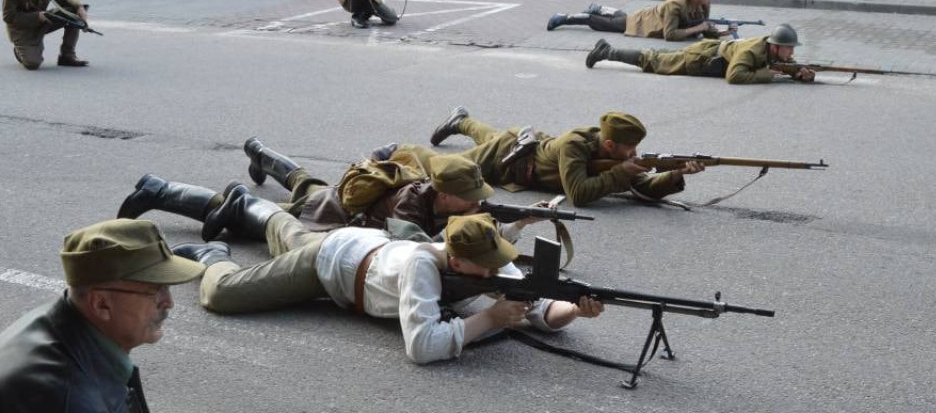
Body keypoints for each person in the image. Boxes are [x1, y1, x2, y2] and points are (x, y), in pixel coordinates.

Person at [172, 212, 602, 365]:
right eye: (486, 267)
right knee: (223, 295)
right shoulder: (422, 266)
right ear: (456, 262)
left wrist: (574, 309)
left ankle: (248, 206)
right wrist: (488, 318)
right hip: (332, 265)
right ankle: (213, 256)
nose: (498, 270)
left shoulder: (486, 258)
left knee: (294, 236)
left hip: (365, 247)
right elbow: (421, 347)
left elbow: (540, 309)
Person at [0, 219, 205, 412]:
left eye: (167, 287)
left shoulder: (53, 322)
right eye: (155, 291)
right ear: (101, 304)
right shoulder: (71, 399)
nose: (169, 302)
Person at [117, 151, 514, 243]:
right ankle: (161, 191)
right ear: (446, 194)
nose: (478, 201)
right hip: (323, 214)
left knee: (303, 178)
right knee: (240, 216)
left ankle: (259, 152)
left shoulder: (432, 197)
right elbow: (419, 250)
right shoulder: (410, 204)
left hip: (335, 199)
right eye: (472, 196)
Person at [408, 109, 704, 207]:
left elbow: (645, 187)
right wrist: (620, 174)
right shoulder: (575, 144)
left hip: (527, 147)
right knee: (445, 167)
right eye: (630, 149)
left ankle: (461, 120)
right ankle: (400, 152)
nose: (635, 155)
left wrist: (676, 175)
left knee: (490, 134)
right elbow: (577, 194)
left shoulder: (615, 158)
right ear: (610, 145)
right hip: (508, 157)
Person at [585, 23, 816, 84]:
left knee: (656, 54)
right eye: (789, 48)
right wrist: (767, 75)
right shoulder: (751, 51)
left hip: (707, 55)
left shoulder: (774, 51)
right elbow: (734, 77)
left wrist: (801, 74)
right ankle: (607, 51)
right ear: (775, 46)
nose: (791, 51)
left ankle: (607, 50)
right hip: (701, 60)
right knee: (652, 60)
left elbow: (787, 65)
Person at [545, 0, 736, 39]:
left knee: (620, 18)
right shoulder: (674, 6)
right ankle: (564, 17)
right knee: (605, 24)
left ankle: (600, 7)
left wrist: (723, 32)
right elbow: (670, 35)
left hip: (647, 17)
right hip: (645, 23)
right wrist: (699, 28)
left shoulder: (704, 3)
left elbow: (703, 26)